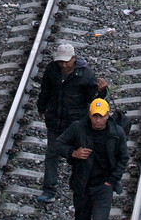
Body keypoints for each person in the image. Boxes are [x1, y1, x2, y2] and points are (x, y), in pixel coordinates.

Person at [53, 98, 128, 220]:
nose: (97, 120)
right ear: (90, 115)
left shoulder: (116, 133)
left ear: (107, 115)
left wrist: (111, 181)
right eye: (94, 116)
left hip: (103, 187)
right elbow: (58, 144)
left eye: (101, 116)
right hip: (82, 184)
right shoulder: (78, 128)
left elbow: (123, 158)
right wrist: (73, 153)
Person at [36, 42, 107, 204]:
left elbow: (93, 99)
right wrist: (41, 108)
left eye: (66, 61)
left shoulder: (85, 75)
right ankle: (49, 190)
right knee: (52, 154)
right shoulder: (52, 70)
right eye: (60, 61)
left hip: (75, 124)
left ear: (74, 58)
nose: (63, 64)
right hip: (55, 120)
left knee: (79, 155)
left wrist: (102, 92)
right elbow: (45, 90)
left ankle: (81, 188)